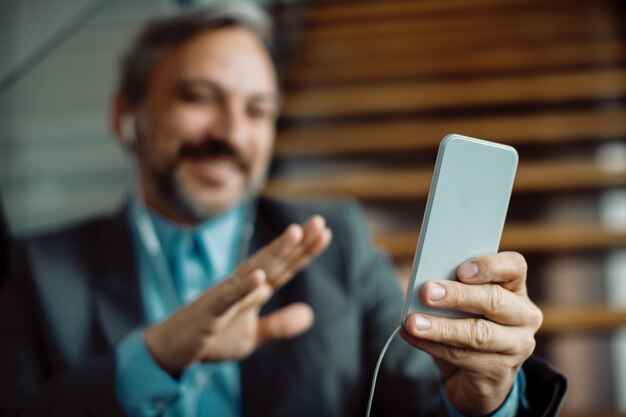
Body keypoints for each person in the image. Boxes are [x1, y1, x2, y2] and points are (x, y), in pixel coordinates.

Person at [0, 3, 566, 417]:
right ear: (127, 115)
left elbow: (417, 401)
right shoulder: (37, 267)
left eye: (257, 110)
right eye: (199, 98)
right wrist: (148, 360)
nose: (230, 134)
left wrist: (485, 402)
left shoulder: (336, 240)